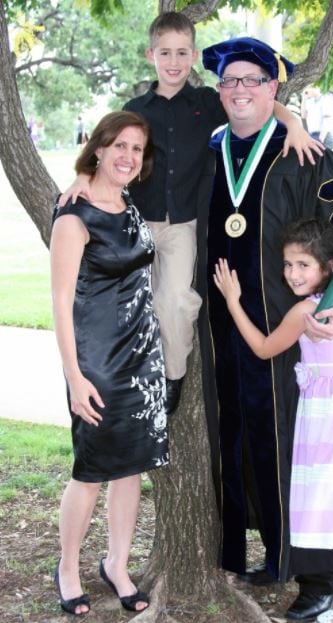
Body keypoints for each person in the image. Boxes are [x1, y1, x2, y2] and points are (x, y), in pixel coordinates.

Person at [200, 36, 333, 621]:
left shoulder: (306, 156)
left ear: (272, 87)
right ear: (220, 91)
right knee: (243, 441)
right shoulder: (210, 152)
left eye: (252, 81)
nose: (239, 90)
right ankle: (273, 555)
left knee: (301, 454)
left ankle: (321, 577)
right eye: (230, 81)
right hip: (227, 332)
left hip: (297, 341)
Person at [59, 12, 324, 417]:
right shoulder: (136, 107)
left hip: (184, 225)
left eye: (182, 53)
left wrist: (296, 125)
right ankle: (119, 376)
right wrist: (81, 174)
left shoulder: (207, 103)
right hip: (139, 222)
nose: (173, 61)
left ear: (194, 56)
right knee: (127, 303)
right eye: (165, 52)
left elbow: (268, 107)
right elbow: (105, 144)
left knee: (176, 302)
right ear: (151, 55)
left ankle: (172, 375)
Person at [214, 218, 333, 623]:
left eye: (303, 265)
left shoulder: (306, 312)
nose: (293, 273)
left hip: (332, 424)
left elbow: (262, 348)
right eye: (289, 264)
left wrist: (232, 301)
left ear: (327, 267)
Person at [50, 111, 168, 616]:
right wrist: (75, 378)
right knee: (92, 470)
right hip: (96, 363)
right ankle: (69, 567)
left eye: (136, 149)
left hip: (143, 359)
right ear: (97, 149)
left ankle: (117, 564)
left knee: (131, 470)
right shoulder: (74, 215)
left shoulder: (126, 201)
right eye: (118, 145)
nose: (127, 157)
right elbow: (58, 301)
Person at [301, 85, 333, 149]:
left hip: (324, 137)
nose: (306, 91)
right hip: (313, 135)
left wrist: (320, 140)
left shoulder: (325, 99)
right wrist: (304, 99)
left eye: (308, 89)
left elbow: (327, 121)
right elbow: (303, 115)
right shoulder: (310, 101)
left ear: (315, 88)